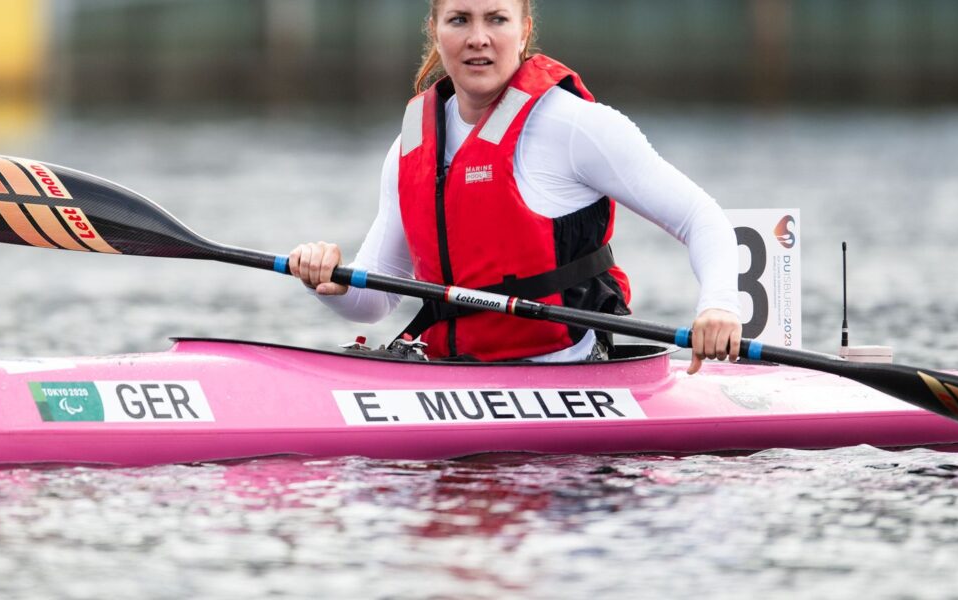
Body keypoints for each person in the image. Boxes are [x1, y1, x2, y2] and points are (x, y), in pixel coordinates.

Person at [289, 0, 741, 373]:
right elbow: (374, 301)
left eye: (496, 20)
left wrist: (719, 308)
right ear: (435, 30)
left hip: (566, 372)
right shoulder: (411, 146)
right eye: (460, 20)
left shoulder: (574, 127)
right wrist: (326, 278)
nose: (478, 38)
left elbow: (700, 217)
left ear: (524, 31)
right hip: (455, 371)